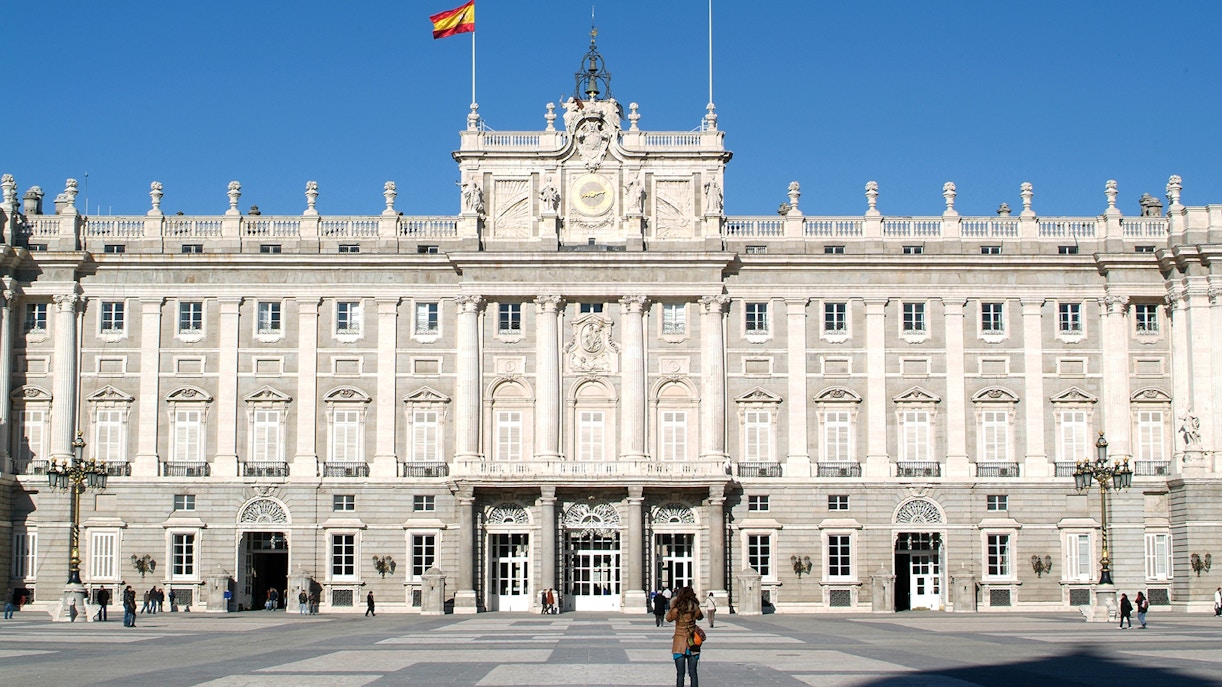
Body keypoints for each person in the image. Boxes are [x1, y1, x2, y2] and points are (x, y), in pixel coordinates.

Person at [666, 586, 704, 687]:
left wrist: (673, 605)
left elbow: (668, 618)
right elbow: (700, 617)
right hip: (692, 642)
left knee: (680, 674)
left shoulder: (677, 609)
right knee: (693, 673)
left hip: (679, 643)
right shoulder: (694, 608)